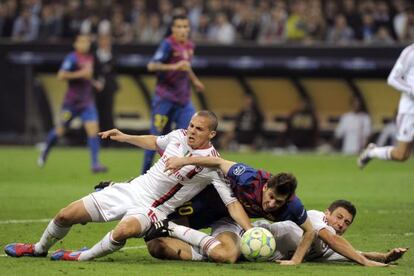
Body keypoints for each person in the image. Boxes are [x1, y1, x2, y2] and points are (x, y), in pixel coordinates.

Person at [4, 111, 251, 262]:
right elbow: (155, 141)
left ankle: (80, 256)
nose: (191, 131)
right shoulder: (177, 135)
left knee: (124, 231)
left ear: (212, 134)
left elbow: (231, 203)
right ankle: (37, 249)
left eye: (199, 129)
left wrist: (248, 230)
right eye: (191, 125)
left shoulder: (213, 165)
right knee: (66, 215)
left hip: (153, 210)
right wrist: (124, 136)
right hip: (131, 189)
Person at [144, 155, 315, 265]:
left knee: (226, 256)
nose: (271, 204)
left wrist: (296, 260)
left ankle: (210, 249)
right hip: (205, 203)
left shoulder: (293, 206)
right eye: (270, 197)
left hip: (232, 218)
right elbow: (218, 161)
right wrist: (183, 161)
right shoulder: (249, 178)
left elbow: (309, 230)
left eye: (278, 202)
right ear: (265, 187)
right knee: (156, 245)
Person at [255, 200, 407, 265]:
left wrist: (386, 257)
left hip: (262, 254)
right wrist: (366, 263)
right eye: (339, 217)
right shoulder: (315, 216)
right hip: (255, 234)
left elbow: (357, 253)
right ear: (327, 213)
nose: (341, 224)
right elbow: (331, 239)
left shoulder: (329, 249)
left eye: (347, 222)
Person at [142, 14, 205, 174]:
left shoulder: (190, 46)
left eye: (185, 26)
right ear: (173, 29)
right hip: (165, 99)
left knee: (189, 135)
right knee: (156, 139)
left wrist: (195, 80)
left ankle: (179, 174)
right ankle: (143, 174)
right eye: (179, 27)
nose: (183, 30)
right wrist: (173, 66)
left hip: (183, 100)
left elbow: (186, 66)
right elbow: (152, 66)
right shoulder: (167, 45)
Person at [37, 34, 107, 173]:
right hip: (72, 103)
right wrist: (81, 73)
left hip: (87, 102)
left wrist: (95, 83)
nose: (85, 44)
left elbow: (88, 77)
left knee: (93, 131)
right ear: (76, 44)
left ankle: (95, 164)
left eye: (87, 41)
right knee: (60, 131)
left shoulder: (91, 58)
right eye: (82, 41)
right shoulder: (72, 58)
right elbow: (61, 75)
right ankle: (46, 149)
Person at [358, 43, 414, 168]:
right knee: (402, 155)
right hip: (410, 111)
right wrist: (412, 90)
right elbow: (393, 78)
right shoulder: (410, 52)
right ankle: (372, 152)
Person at [93, 34, 119, 138]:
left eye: (106, 41)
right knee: (96, 112)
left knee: (108, 113)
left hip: (109, 88)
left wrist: (108, 54)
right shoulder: (94, 54)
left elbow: (114, 67)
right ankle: (97, 137)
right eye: (102, 40)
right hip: (96, 89)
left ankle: (110, 138)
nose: (105, 43)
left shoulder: (112, 54)